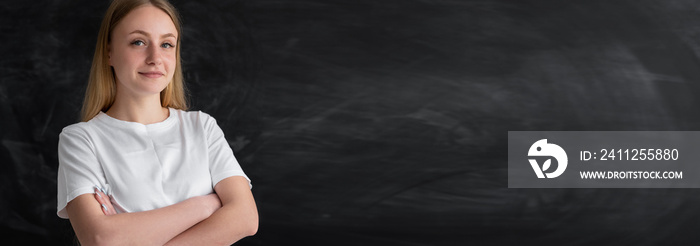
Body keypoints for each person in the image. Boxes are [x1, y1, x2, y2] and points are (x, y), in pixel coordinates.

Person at [56, 0, 258, 245]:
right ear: (109, 52)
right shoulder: (80, 139)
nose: (155, 58)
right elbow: (100, 238)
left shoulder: (203, 127)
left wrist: (131, 234)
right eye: (138, 42)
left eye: (166, 44)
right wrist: (207, 205)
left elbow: (246, 218)